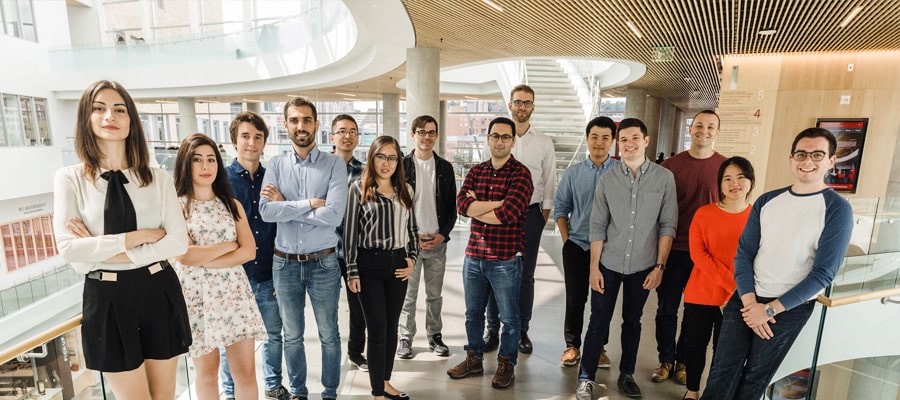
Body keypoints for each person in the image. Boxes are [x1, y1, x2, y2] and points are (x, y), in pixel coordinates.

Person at [52, 80, 191, 399]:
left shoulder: (157, 178)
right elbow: (70, 249)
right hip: (107, 297)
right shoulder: (70, 179)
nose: (108, 116)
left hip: (158, 290)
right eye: (98, 108)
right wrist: (140, 238)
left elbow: (178, 243)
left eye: (119, 109)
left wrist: (100, 249)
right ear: (86, 119)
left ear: (131, 121)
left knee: (164, 397)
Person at [700, 128, 853, 400]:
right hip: (746, 299)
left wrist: (769, 310)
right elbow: (744, 254)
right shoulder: (767, 201)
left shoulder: (837, 208)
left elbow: (823, 274)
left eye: (817, 154)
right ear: (790, 159)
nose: (808, 160)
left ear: (831, 161)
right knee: (721, 372)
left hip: (788, 308)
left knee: (754, 378)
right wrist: (750, 304)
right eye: (801, 154)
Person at [575, 118, 677, 400]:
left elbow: (668, 225)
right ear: (618, 145)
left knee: (633, 321)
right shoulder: (607, 179)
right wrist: (594, 266)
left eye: (635, 138)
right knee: (598, 321)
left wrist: (659, 266)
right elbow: (597, 225)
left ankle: (627, 375)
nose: (629, 144)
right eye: (623, 140)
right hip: (609, 263)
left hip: (643, 266)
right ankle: (586, 378)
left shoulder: (663, 178)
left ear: (646, 141)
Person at [259, 96, 348, 400]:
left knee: (329, 335)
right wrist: (307, 204)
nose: (301, 126)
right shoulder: (276, 164)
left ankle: (329, 394)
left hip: (324, 263)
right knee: (292, 337)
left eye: (306, 120)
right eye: (294, 120)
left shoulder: (334, 164)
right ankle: (298, 393)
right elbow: (266, 212)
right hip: (284, 264)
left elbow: (334, 216)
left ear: (316, 124)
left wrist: (285, 204)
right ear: (285, 125)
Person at [172, 133, 266, 400]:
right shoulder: (177, 207)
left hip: (234, 294)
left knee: (245, 373)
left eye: (211, 159)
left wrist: (205, 257)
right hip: (196, 297)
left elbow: (248, 251)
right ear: (185, 165)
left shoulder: (231, 204)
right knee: (207, 373)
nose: (205, 166)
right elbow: (185, 256)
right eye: (197, 160)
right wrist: (228, 246)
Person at [447, 117, 533, 389]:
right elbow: (462, 207)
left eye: (505, 137)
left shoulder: (521, 174)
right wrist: (495, 204)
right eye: (495, 136)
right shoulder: (476, 171)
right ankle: (473, 359)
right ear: (488, 139)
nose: (499, 141)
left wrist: (479, 206)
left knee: (509, 318)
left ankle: (506, 363)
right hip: (474, 256)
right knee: (473, 314)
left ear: (513, 141)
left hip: (505, 258)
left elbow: (509, 214)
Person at [219, 111, 290, 400]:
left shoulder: (273, 178)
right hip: (235, 277)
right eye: (246, 136)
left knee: (274, 335)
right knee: (232, 340)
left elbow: (285, 220)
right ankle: (230, 392)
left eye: (258, 137)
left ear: (264, 142)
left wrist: (283, 202)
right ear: (235, 141)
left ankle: (273, 385)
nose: (252, 143)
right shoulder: (221, 179)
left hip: (269, 274)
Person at [654, 110, 727, 385]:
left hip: (706, 255)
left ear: (717, 132)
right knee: (666, 309)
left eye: (710, 126)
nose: (704, 131)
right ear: (690, 129)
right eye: (699, 125)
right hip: (674, 249)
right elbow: (659, 211)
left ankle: (683, 361)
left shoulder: (726, 167)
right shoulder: (671, 166)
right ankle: (665, 359)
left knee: (695, 312)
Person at [344, 136, 418, 400]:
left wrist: (411, 259)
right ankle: (376, 392)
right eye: (381, 157)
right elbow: (350, 234)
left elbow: (412, 230)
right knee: (376, 330)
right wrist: (352, 271)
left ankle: (385, 382)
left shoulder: (406, 190)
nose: (386, 163)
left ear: (398, 161)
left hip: (398, 264)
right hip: (369, 265)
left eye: (392, 158)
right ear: (372, 158)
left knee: (391, 329)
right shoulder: (359, 188)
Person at [483, 84, 556, 355]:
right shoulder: (497, 138)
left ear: (533, 107)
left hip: (530, 215)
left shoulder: (544, 142)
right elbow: (484, 176)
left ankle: (522, 330)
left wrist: (542, 214)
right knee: (493, 274)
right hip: (498, 216)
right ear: (510, 105)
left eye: (527, 102)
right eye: (517, 102)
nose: (522, 106)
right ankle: (492, 330)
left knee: (525, 277)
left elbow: (549, 180)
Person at [681, 157, 755, 400]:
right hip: (702, 293)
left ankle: (713, 394)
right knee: (695, 345)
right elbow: (698, 254)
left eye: (740, 177)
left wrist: (736, 293)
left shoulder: (757, 217)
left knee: (724, 352)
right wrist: (733, 286)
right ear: (720, 185)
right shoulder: (704, 214)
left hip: (738, 299)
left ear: (750, 181)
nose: (735, 184)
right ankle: (692, 391)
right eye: (727, 179)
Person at [554, 117, 620, 368]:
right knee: (575, 298)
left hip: (609, 248)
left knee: (602, 301)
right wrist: (567, 240)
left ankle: (599, 347)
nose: (599, 143)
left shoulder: (621, 172)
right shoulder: (573, 173)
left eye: (605, 137)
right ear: (587, 138)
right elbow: (561, 208)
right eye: (594, 136)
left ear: (612, 141)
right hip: (577, 245)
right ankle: (572, 345)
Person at [396, 115, 457, 359]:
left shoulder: (445, 168)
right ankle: (405, 337)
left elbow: (452, 209)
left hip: (436, 243)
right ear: (413, 135)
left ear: (437, 135)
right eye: (422, 132)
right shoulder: (401, 166)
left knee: (435, 295)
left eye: (431, 132)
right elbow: (395, 207)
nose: (426, 137)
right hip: (409, 244)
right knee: (407, 296)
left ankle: (435, 336)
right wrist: (409, 237)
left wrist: (443, 235)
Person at [330, 114, 369, 372]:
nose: (347, 136)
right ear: (332, 136)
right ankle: (331, 355)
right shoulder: (320, 168)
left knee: (359, 307)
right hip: (326, 251)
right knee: (327, 308)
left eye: (352, 131)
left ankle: (356, 353)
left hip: (354, 251)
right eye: (342, 131)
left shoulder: (365, 171)